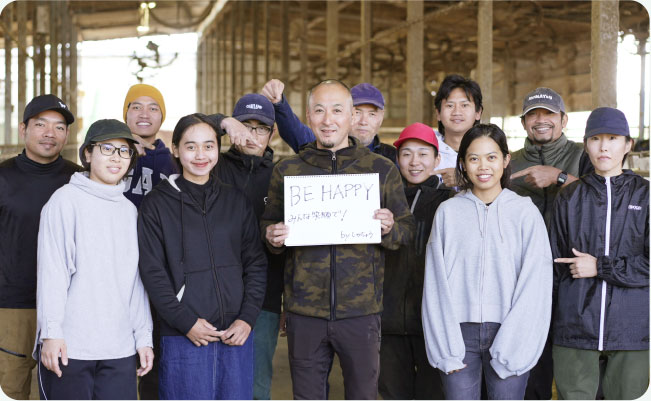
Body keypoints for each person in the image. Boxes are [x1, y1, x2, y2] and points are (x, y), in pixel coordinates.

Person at [261, 79, 414, 400]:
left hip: (361, 312)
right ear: (308, 115)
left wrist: (389, 228)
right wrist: (272, 236)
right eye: (319, 111)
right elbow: (268, 229)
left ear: (351, 116)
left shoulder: (380, 169)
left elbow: (406, 230)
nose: (327, 120)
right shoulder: (288, 171)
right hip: (305, 313)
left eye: (337, 111)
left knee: (362, 395)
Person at [138, 113, 267, 400]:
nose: (200, 155)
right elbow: (153, 272)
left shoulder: (235, 201)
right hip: (184, 335)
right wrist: (186, 322)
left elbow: (255, 264)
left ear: (217, 150)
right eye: (191, 146)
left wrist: (247, 318)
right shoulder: (156, 204)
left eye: (209, 146)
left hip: (236, 334)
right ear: (175, 149)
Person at [422, 124, 552, 400]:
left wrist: (518, 342)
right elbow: (435, 283)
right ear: (463, 164)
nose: (483, 166)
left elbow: (536, 284)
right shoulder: (448, 213)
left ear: (506, 161)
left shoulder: (524, 213)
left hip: (511, 330)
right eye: (474, 158)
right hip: (457, 335)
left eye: (492, 157)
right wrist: (444, 346)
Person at [35, 119, 154, 400]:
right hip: (71, 347)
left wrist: (143, 338)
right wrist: (51, 334)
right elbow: (53, 273)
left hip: (119, 349)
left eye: (124, 151)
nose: (116, 157)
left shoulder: (128, 211)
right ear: (88, 154)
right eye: (107, 148)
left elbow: (134, 282)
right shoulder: (64, 201)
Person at [550, 107, 649, 400]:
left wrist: (601, 267)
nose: (604, 146)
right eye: (595, 138)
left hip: (632, 330)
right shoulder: (568, 197)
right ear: (586, 144)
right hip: (575, 328)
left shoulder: (645, 195)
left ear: (628, 145)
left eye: (613, 138)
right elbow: (553, 266)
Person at [508, 87, 593, 399]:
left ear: (563, 120)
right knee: (532, 362)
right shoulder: (509, 163)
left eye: (548, 114)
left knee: (575, 363)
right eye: (533, 114)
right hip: (524, 277)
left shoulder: (582, 156)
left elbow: (603, 198)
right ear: (523, 123)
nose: (540, 120)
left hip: (575, 277)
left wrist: (558, 177)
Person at [0, 94, 81, 400]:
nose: (50, 133)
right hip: (12, 306)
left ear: (67, 135)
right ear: (24, 129)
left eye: (59, 127)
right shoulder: (3, 177)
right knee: (10, 390)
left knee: (64, 389)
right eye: (41, 124)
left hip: (68, 307)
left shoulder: (79, 180)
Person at [213, 93, 285, 400]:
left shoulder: (282, 176)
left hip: (265, 299)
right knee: (216, 381)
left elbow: (289, 248)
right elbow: (189, 130)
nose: (251, 135)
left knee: (256, 384)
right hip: (214, 294)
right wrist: (222, 121)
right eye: (244, 126)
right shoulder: (213, 165)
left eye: (260, 128)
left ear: (273, 133)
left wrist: (285, 300)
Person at [379, 122, 450, 400]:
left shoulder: (449, 203)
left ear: (437, 159)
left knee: (433, 394)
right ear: (397, 159)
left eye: (423, 154)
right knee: (393, 393)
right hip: (388, 321)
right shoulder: (383, 202)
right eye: (407, 154)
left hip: (432, 323)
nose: (415, 162)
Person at [261, 79, 397, 162]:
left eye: (372, 114)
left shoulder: (392, 158)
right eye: (357, 112)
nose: (363, 121)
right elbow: (294, 130)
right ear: (349, 115)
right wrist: (279, 104)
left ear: (381, 117)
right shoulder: (321, 146)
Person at [432, 74, 483, 187]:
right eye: (450, 106)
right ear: (438, 113)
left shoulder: (490, 150)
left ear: (478, 113)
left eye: (464, 105)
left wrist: (466, 180)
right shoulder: (427, 150)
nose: (457, 112)